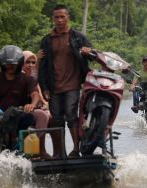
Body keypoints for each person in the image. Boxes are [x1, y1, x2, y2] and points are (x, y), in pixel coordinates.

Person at [38, 4, 92, 158]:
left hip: (73, 84)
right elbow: (43, 66)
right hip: (54, 86)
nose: (60, 20)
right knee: (56, 119)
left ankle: (76, 149)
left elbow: (92, 52)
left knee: (71, 115)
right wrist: (44, 87)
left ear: (68, 17)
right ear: (53, 19)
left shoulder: (77, 37)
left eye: (63, 17)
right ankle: (59, 153)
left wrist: (88, 51)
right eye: (57, 17)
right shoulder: (47, 40)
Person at [22, 50, 51, 157]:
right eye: (27, 62)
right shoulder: (20, 76)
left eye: (33, 62)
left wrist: (44, 103)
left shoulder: (33, 77)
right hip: (22, 108)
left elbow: (37, 92)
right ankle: (38, 150)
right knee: (43, 116)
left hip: (33, 107)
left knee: (52, 116)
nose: (30, 65)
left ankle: (43, 150)